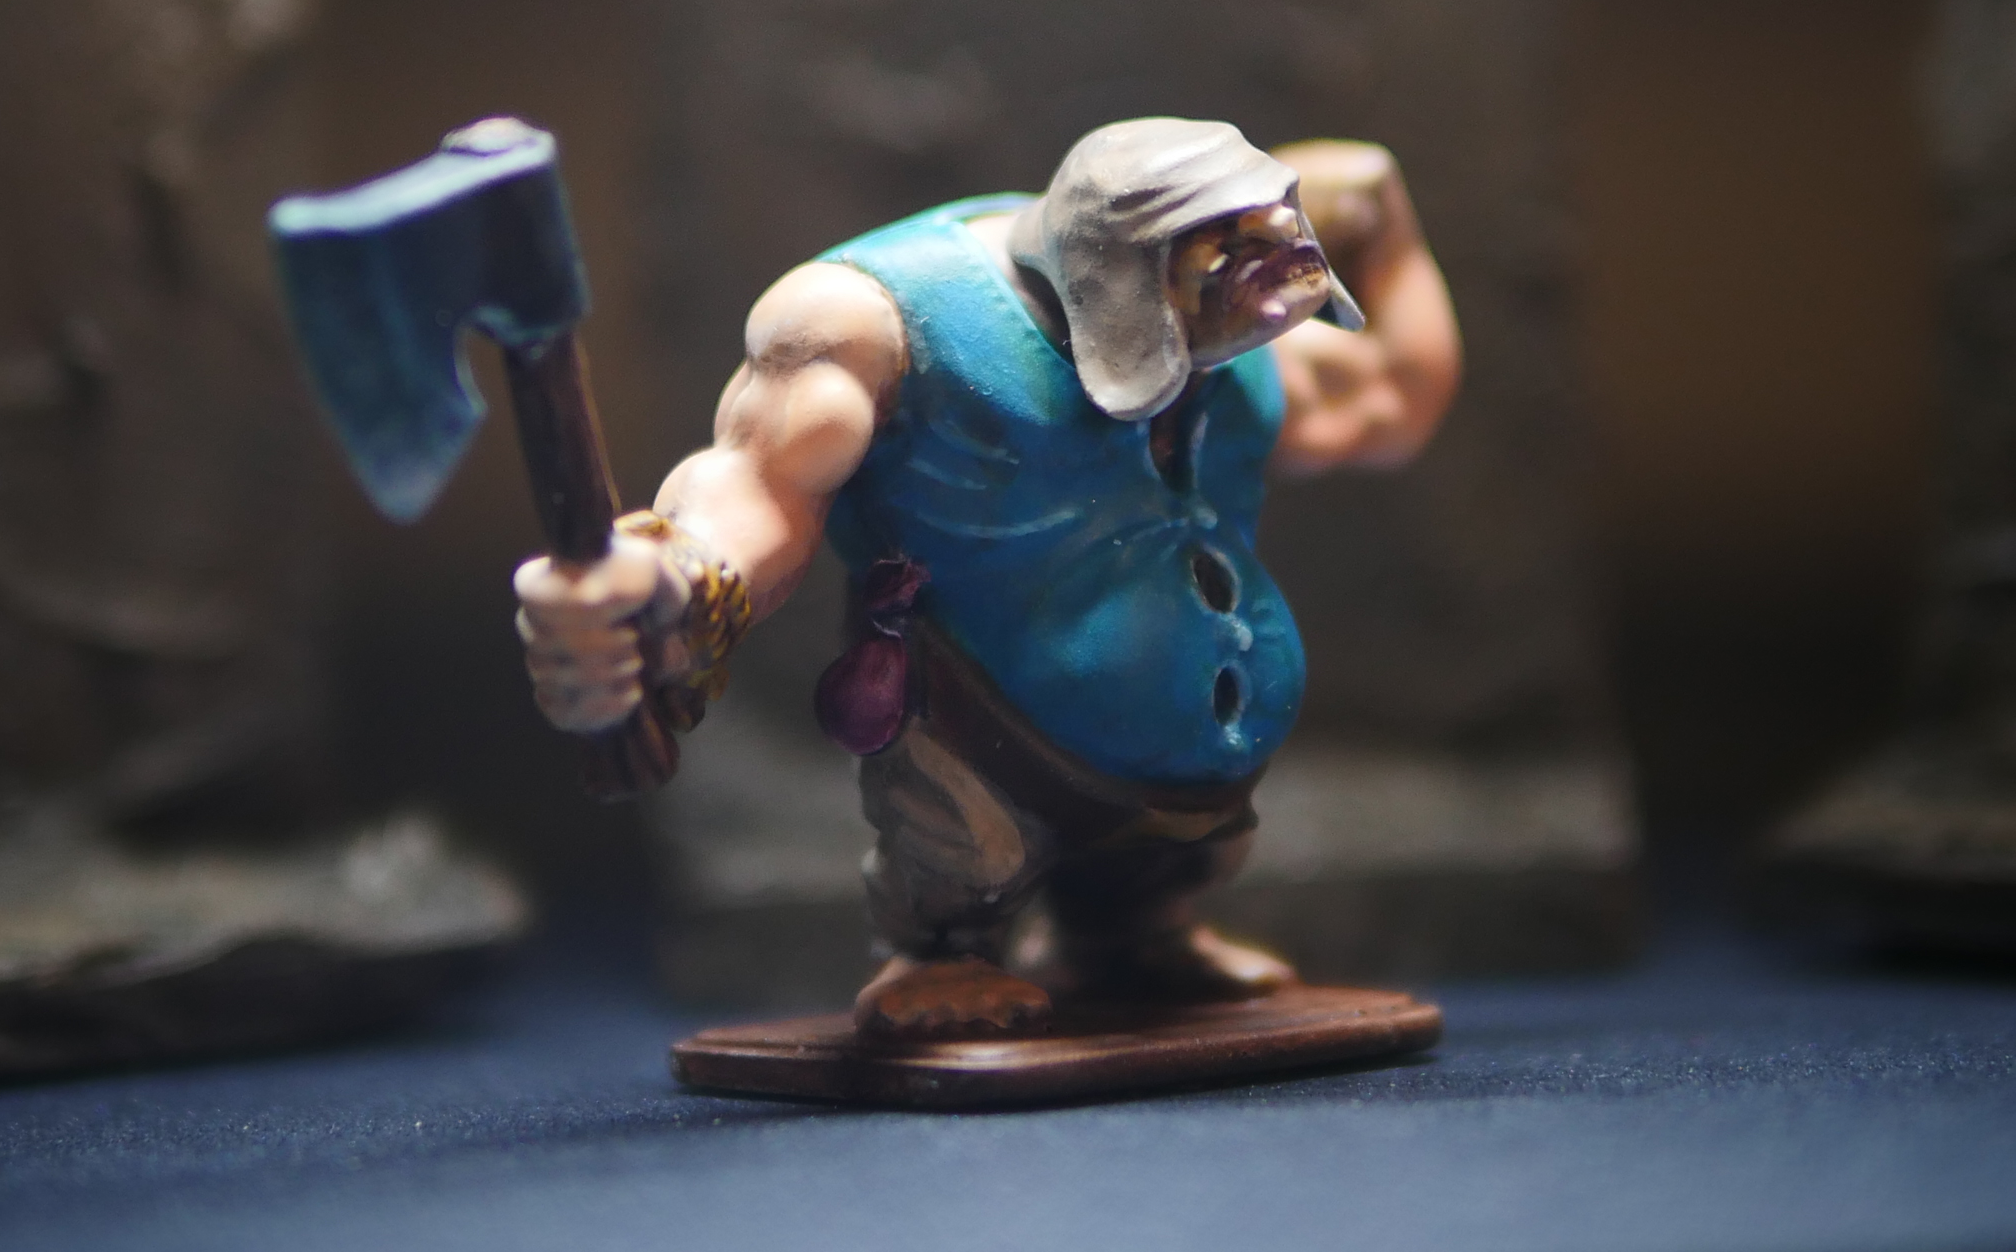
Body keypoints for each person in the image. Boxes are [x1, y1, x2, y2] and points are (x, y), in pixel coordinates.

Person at [516, 118, 1462, 1038]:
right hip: (980, 727)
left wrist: (1389, 232)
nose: (1263, 312)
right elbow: (756, 489)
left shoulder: (1242, 338)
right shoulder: (877, 323)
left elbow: (1392, 399)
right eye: (1224, 277)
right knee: (965, 848)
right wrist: (665, 586)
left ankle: (1136, 936)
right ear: (1134, 282)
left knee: (1173, 860)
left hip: (1194, 781)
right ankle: (938, 954)